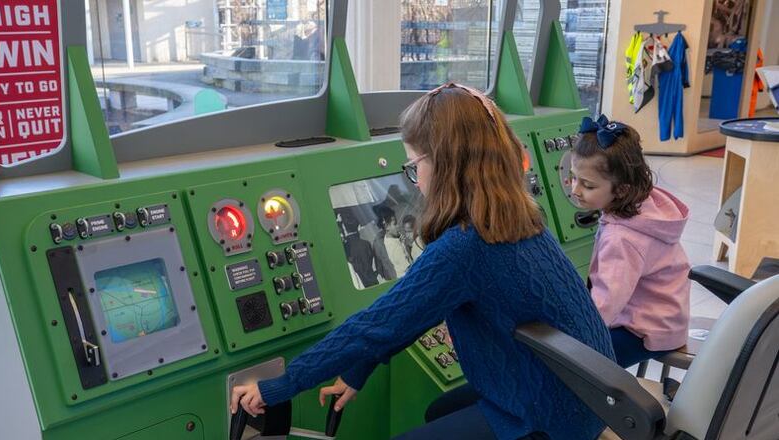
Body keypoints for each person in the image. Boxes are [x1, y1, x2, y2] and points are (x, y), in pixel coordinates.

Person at [230, 83, 614, 440]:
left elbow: (375, 325)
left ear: (446, 164)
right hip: (585, 397)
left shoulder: (464, 246)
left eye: (415, 165)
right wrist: (358, 370)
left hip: (549, 417)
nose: (415, 180)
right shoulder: (518, 217)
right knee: (437, 412)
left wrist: (278, 387)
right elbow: (411, 316)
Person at [570, 115, 691, 368]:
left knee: (575, 364)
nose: (575, 190)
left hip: (644, 332)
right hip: (666, 319)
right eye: (573, 178)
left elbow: (606, 302)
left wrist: (573, 332)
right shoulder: (643, 206)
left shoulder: (621, 239)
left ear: (622, 190)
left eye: (587, 185)